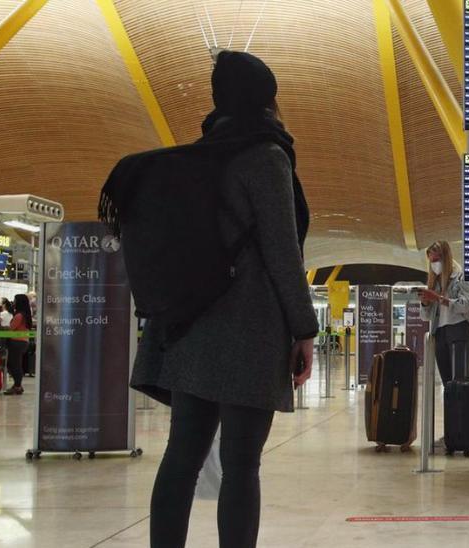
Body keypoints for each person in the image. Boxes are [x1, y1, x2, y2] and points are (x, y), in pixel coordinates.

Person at [112, 51, 319, 548]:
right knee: (242, 465)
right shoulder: (266, 157)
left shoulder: (199, 157)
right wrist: (305, 329)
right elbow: (281, 252)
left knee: (181, 456)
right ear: (266, 98)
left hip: (189, 327)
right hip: (248, 331)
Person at [420, 240, 469, 385]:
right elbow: (425, 316)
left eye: (437, 259)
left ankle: (463, 408)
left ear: (446, 257)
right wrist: (425, 302)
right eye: (431, 261)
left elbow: (466, 305)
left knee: (460, 382)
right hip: (440, 333)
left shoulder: (462, 277)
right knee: (447, 383)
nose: (434, 264)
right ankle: (450, 408)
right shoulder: (435, 282)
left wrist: (439, 299)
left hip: (460, 330)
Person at [3, 294, 32, 396]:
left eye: (15, 300)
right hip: (24, 342)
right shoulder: (25, 315)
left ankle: (17, 386)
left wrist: (2, 327)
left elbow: (11, 328)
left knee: (14, 365)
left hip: (16, 342)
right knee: (16, 364)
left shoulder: (19, 316)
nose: (13, 302)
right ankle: (17, 385)